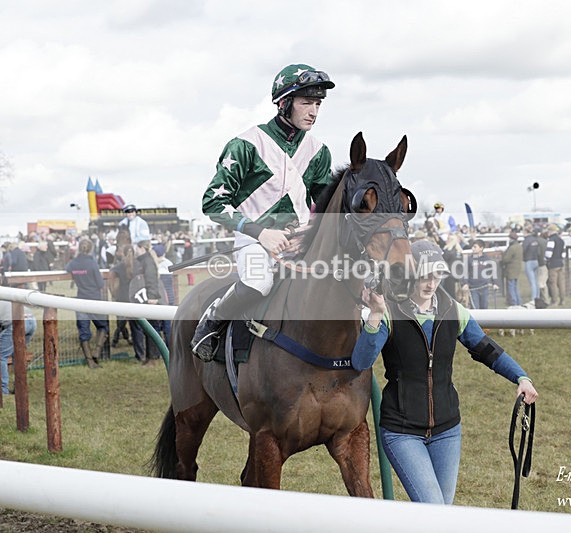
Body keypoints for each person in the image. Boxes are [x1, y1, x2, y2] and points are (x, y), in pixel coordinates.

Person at [351, 240, 537, 505]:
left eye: (437, 275)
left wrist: (521, 377)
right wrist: (375, 316)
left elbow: (487, 349)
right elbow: (361, 361)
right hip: (402, 432)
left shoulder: (454, 311)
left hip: (447, 430)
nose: (431, 283)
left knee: (441, 512)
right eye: (424, 276)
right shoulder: (389, 312)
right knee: (434, 509)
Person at [191, 63, 336, 360]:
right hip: (255, 239)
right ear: (284, 103)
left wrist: (309, 232)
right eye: (306, 103)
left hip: (298, 242)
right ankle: (213, 320)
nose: (314, 112)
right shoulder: (245, 145)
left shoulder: (319, 151)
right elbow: (212, 203)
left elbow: (323, 208)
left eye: (318, 104)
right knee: (259, 283)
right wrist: (261, 233)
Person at [65, 238, 108, 369]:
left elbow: (67, 269)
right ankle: (97, 352)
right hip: (94, 300)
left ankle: (89, 361)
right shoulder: (92, 263)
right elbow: (100, 284)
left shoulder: (73, 264)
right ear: (91, 249)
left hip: (81, 300)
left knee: (84, 332)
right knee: (103, 326)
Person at [129, 240, 163, 365]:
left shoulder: (147, 261)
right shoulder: (144, 260)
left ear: (142, 248)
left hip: (149, 298)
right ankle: (150, 356)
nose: (135, 251)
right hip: (144, 297)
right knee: (150, 328)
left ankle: (153, 357)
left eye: (137, 248)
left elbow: (151, 278)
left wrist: (152, 296)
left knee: (152, 328)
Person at [108, 244, 134, 349]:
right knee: (130, 322)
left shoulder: (118, 267)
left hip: (122, 297)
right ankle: (128, 338)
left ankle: (115, 339)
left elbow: (112, 280)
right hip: (133, 297)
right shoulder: (137, 265)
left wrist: (113, 294)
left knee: (121, 321)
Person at [461, 239, 491, 309]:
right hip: (473, 288)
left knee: (484, 307)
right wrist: (465, 283)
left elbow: (491, 272)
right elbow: (465, 272)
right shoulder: (469, 259)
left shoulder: (487, 259)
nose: (472, 248)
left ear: (481, 248)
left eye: (475, 247)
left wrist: (494, 283)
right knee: (475, 308)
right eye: (472, 247)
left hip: (484, 287)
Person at [544, 224, 566, 306]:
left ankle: (554, 301)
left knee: (553, 283)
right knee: (561, 283)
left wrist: (546, 259)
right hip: (560, 263)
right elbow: (564, 254)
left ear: (550, 231)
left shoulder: (551, 240)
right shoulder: (561, 240)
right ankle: (563, 300)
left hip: (553, 264)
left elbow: (548, 254)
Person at [501, 230, 523, 305]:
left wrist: (503, 255)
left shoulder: (512, 248)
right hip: (517, 269)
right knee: (515, 287)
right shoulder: (519, 246)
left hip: (511, 269)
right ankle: (518, 301)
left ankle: (514, 302)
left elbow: (506, 259)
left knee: (511, 287)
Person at [522, 226, 541, 302]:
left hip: (529, 261)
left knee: (532, 282)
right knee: (536, 281)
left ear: (525, 232)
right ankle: (537, 297)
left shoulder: (526, 240)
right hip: (536, 260)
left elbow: (523, 250)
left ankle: (533, 299)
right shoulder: (535, 239)